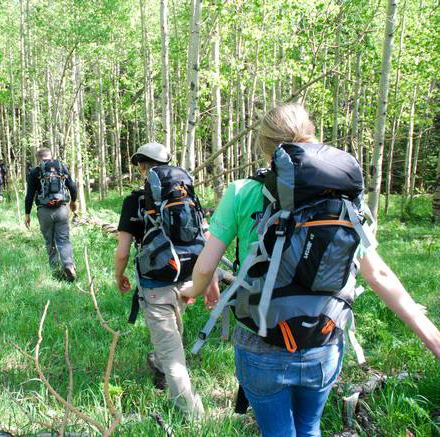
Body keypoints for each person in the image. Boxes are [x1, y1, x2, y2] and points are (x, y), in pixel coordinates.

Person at [182, 103, 440, 436]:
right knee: (308, 428)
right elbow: (379, 275)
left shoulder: (242, 191)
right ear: (312, 135)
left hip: (261, 342)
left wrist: (192, 290)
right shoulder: (343, 199)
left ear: (264, 147)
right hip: (324, 339)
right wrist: (432, 337)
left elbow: (205, 266)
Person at [114, 142, 214, 419]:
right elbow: (206, 240)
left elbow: (122, 251)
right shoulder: (187, 195)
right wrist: (210, 283)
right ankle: (157, 361)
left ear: (142, 166)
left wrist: (118, 275)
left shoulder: (134, 200)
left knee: (174, 359)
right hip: (187, 277)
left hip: (155, 284)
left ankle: (194, 417)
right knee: (172, 333)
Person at [25, 148, 78, 281]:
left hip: (44, 211)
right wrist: (73, 202)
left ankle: (56, 273)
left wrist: (27, 213)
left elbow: (30, 195)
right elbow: (72, 186)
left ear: (38, 158)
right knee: (63, 239)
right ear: (51, 156)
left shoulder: (35, 172)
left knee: (50, 242)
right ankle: (69, 265)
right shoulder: (61, 167)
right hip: (62, 209)